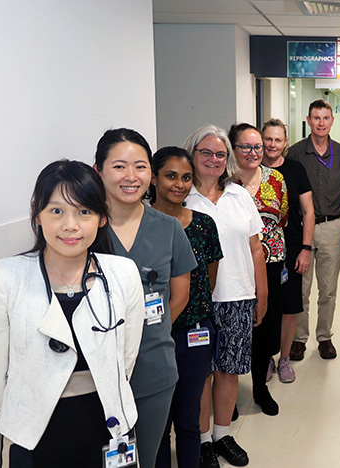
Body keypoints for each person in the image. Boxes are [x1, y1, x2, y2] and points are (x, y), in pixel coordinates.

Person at [0, 160, 144, 467]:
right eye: (56, 211)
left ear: (102, 217)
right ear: (36, 213)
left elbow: (125, 358)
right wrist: (24, 417)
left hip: (107, 421)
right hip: (34, 432)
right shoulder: (6, 277)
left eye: (84, 212)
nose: (70, 225)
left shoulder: (123, 273)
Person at [93, 128, 197, 468]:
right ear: (98, 171)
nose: (130, 176)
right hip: (94, 375)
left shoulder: (168, 228)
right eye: (119, 166)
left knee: (147, 458)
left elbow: (180, 293)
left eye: (140, 167)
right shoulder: (83, 229)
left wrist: (141, 332)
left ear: (150, 175)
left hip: (153, 367)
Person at [184, 124, 267, 468]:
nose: (214, 160)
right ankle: (202, 440)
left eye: (220, 154)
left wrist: (261, 294)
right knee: (200, 374)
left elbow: (255, 248)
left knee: (229, 372)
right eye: (206, 152)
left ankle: (222, 434)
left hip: (238, 296)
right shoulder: (182, 197)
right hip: (194, 302)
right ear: (192, 155)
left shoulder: (240, 195)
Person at [150, 147, 223, 468]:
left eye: (186, 178)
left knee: (190, 419)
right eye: (170, 176)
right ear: (153, 178)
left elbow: (208, 280)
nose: (179, 184)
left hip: (194, 332)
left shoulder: (204, 225)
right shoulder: (141, 224)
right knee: (159, 423)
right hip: (151, 337)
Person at [285, 99, 340, 360]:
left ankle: (324, 337)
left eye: (325, 118)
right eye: (316, 118)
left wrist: (329, 208)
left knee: (328, 289)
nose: (321, 123)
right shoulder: (294, 153)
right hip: (302, 228)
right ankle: (299, 339)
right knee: (301, 288)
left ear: (332, 121)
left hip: (331, 226)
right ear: (308, 120)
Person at [229, 122, 288, 416]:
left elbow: (283, 217)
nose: (253, 152)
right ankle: (228, 395)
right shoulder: (224, 183)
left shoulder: (275, 178)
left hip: (271, 263)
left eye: (258, 147)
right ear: (233, 149)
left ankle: (260, 389)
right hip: (235, 266)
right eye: (246, 147)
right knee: (235, 329)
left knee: (264, 329)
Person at [261, 118, 315, 383]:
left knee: (289, 307)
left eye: (278, 140)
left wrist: (305, 249)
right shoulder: (250, 170)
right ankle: (265, 358)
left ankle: (284, 359)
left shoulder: (296, 169)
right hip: (258, 251)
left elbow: (308, 211)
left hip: (291, 248)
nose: (272, 144)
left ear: (285, 142)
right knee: (264, 305)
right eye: (268, 139)